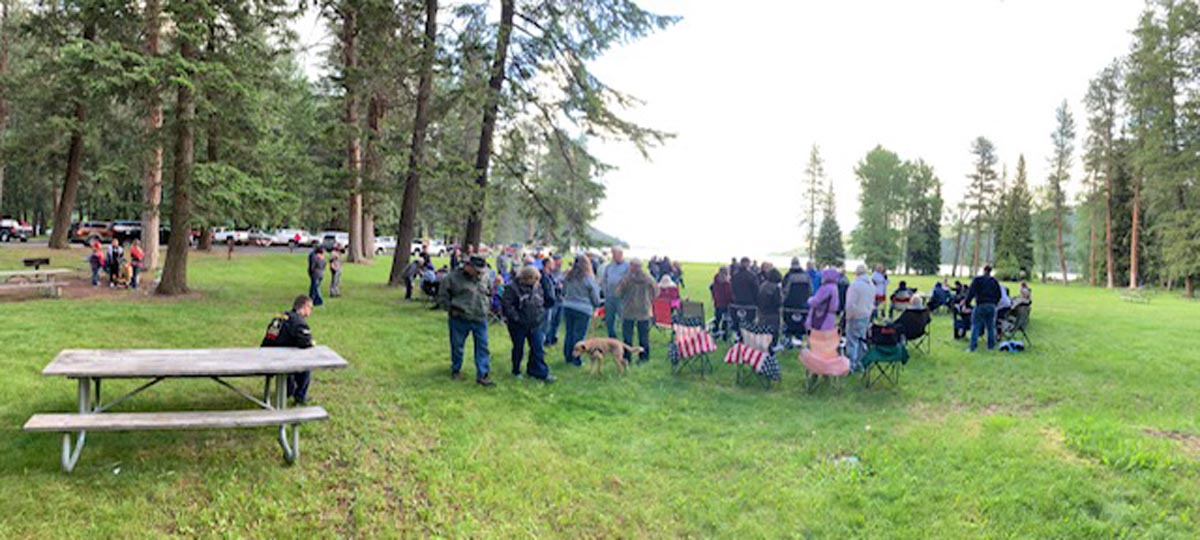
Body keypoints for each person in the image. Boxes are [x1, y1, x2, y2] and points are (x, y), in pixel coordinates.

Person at [440, 255, 494, 386]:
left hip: (480, 317)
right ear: (467, 266)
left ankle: (483, 374)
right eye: (477, 270)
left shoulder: (486, 276)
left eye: (482, 270)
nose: (480, 273)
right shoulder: (452, 278)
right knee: (457, 346)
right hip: (459, 318)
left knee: (483, 346)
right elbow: (443, 295)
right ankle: (456, 369)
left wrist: (487, 306)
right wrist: (451, 309)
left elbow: (489, 291)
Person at [501, 266, 554, 382]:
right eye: (535, 279)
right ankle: (516, 370)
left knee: (537, 348)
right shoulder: (512, 288)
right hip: (518, 325)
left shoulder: (537, 287)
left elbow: (542, 301)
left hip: (535, 323)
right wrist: (517, 318)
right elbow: (507, 305)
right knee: (518, 348)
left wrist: (540, 314)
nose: (537, 282)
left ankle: (538, 372)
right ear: (527, 278)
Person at [261, 295, 316, 404]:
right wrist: (311, 342)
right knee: (305, 366)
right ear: (305, 306)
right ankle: (300, 395)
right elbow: (306, 342)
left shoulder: (279, 317)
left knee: (288, 361)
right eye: (311, 308)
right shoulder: (299, 322)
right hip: (284, 361)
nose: (311, 311)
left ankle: (288, 390)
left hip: (268, 358)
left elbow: (269, 338)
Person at [561, 255, 602, 366]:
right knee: (579, 335)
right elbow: (595, 297)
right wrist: (598, 304)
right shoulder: (589, 279)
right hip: (583, 309)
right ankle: (576, 359)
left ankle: (568, 356)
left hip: (568, 306)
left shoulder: (568, 277)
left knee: (569, 333)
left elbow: (563, 291)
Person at [615, 259, 658, 363]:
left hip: (629, 310)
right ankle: (644, 357)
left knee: (627, 337)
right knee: (643, 336)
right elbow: (656, 291)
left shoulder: (627, 279)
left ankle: (627, 357)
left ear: (632, 266)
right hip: (644, 310)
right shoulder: (649, 278)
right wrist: (648, 299)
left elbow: (618, 292)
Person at [964, 265, 1002, 352]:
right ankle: (991, 347)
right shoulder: (994, 281)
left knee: (975, 325)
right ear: (990, 271)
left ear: (983, 270)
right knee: (990, 327)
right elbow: (999, 295)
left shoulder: (978, 280)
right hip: (992, 305)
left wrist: (967, 303)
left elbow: (971, 292)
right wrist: (994, 303)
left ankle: (973, 347)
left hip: (981, 304)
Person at [844, 265, 875, 371]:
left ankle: (851, 365)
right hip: (866, 315)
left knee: (852, 341)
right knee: (862, 340)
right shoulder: (871, 285)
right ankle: (860, 363)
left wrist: (848, 316)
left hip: (855, 316)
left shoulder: (855, 285)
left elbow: (850, 304)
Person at [600, 247, 630, 339]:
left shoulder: (627, 266)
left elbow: (628, 280)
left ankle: (626, 338)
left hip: (621, 298)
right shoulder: (609, 266)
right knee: (609, 319)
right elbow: (604, 279)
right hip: (609, 296)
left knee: (623, 318)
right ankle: (612, 338)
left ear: (621, 254)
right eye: (612, 254)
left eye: (615, 254)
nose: (613, 256)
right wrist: (605, 291)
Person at [730, 257, 760, 334]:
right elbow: (756, 290)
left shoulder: (735, 276)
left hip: (736, 303)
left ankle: (738, 335)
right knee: (749, 324)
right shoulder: (752, 276)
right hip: (750, 304)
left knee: (737, 323)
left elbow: (732, 289)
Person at [806, 269, 842, 333]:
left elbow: (816, 301)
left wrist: (809, 300)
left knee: (818, 336)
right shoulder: (835, 287)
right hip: (831, 317)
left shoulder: (826, 288)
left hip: (822, 317)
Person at [756, 266, 783, 341]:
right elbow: (778, 302)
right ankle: (773, 345)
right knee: (773, 332)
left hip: (762, 312)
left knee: (763, 331)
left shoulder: (763, 285)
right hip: (772, 313)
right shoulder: (775, 288)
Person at [543, 255, 565, 345]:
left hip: (561, 298)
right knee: (550, 320)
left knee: (557, 320)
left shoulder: (561, 272)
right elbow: (550, 285)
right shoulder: (549, 273)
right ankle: (547, 339)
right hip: (553, 299)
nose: (561, 263)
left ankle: (554, 337)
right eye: (558, 261)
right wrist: (558, 285)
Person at [709, 266, 733, 337]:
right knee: (724, 319)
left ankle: (717, 331)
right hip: (724, 304)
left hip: (719, 303)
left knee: (718, 318)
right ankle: (723, 332)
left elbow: (712, 289)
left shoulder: (715, 282)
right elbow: (729, 294)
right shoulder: (727, 284)